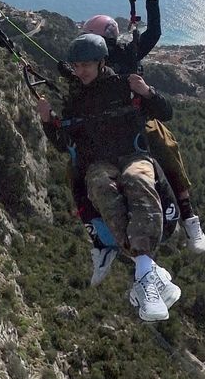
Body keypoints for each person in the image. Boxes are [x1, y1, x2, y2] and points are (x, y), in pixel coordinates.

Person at [40, 34, 182, 321]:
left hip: (133, 155)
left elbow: (164, 112)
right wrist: (47, 122)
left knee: (138, 181)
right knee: (101, 186)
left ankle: (145, 273)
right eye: (77, 66)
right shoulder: (75, 101)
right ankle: (147, 274)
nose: (80, 72)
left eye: (86, 66)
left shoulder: (123, 85)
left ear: (101, 62)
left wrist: (148, 92)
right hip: (99, 164)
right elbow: (63, 142)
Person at [82, 0, 205, 254]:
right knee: (81, 165)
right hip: (104, 126)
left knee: (163, 143)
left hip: (136, 119)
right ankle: (97, 235)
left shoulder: (127, 53)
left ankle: (188, 214)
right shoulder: (88, 65)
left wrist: (152, 1)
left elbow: (153, 33)